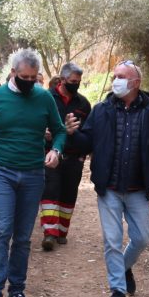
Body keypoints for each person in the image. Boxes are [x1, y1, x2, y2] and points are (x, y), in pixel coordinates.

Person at [64, 60, 149, 297]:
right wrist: (71, 133)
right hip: (109, 188)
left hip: (138, 189)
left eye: (122, 76)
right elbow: (86, 142)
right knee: (112, 240)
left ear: (136, 82)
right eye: (114, 76)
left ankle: (123, 268)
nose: (116, 80)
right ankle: (117, 289)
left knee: (143, 237)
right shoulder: (101, 110)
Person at [0, 48, 66, 297]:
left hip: (34, 174)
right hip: (1, 173)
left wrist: (56, 150)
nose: (29, 82)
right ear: (13, 73)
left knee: (23, 237)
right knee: (2, 230)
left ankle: (17, 291)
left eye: (34, 78)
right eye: (24, 76)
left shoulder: (44, 98)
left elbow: (59, 131)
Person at [39, 62, 92, 250]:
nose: (75, 84)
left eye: (78, 81)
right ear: (62, 80)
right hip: (50, 155)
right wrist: (46, 134)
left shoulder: (84, 104)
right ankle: (49, 233)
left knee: (69, 195)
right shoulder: (45, 98)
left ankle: (62, 232)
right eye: (72, 81)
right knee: (50, 191)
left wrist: (78, 147)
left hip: (74, 159)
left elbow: (88, 136)